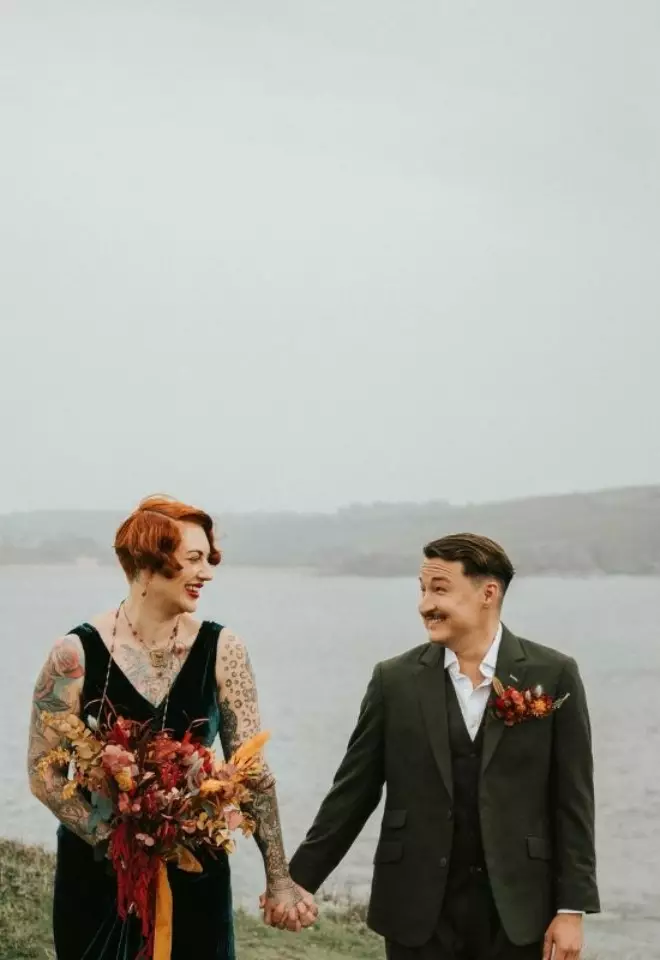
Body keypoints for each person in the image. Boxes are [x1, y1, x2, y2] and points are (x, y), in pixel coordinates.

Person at [284, 533, 599, 960]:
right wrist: (296, 880)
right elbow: (352, 793)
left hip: (521, 910)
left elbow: (573, 800)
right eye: (422, 589)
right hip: (417, 909)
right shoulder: (393, 681)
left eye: (439, 589)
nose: (424, 604)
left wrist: (571, 908)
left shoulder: (554, 673)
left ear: (488, 593)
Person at [27, 494, 316, 960]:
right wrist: (117, 840)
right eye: (193, 559)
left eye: (209, 559)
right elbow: (44, 774)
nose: (207, 573)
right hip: (97, 877)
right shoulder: (74, 655)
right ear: (148, 562)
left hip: (196, 874)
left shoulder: (225, 650)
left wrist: (279, 879)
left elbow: (252, 776)